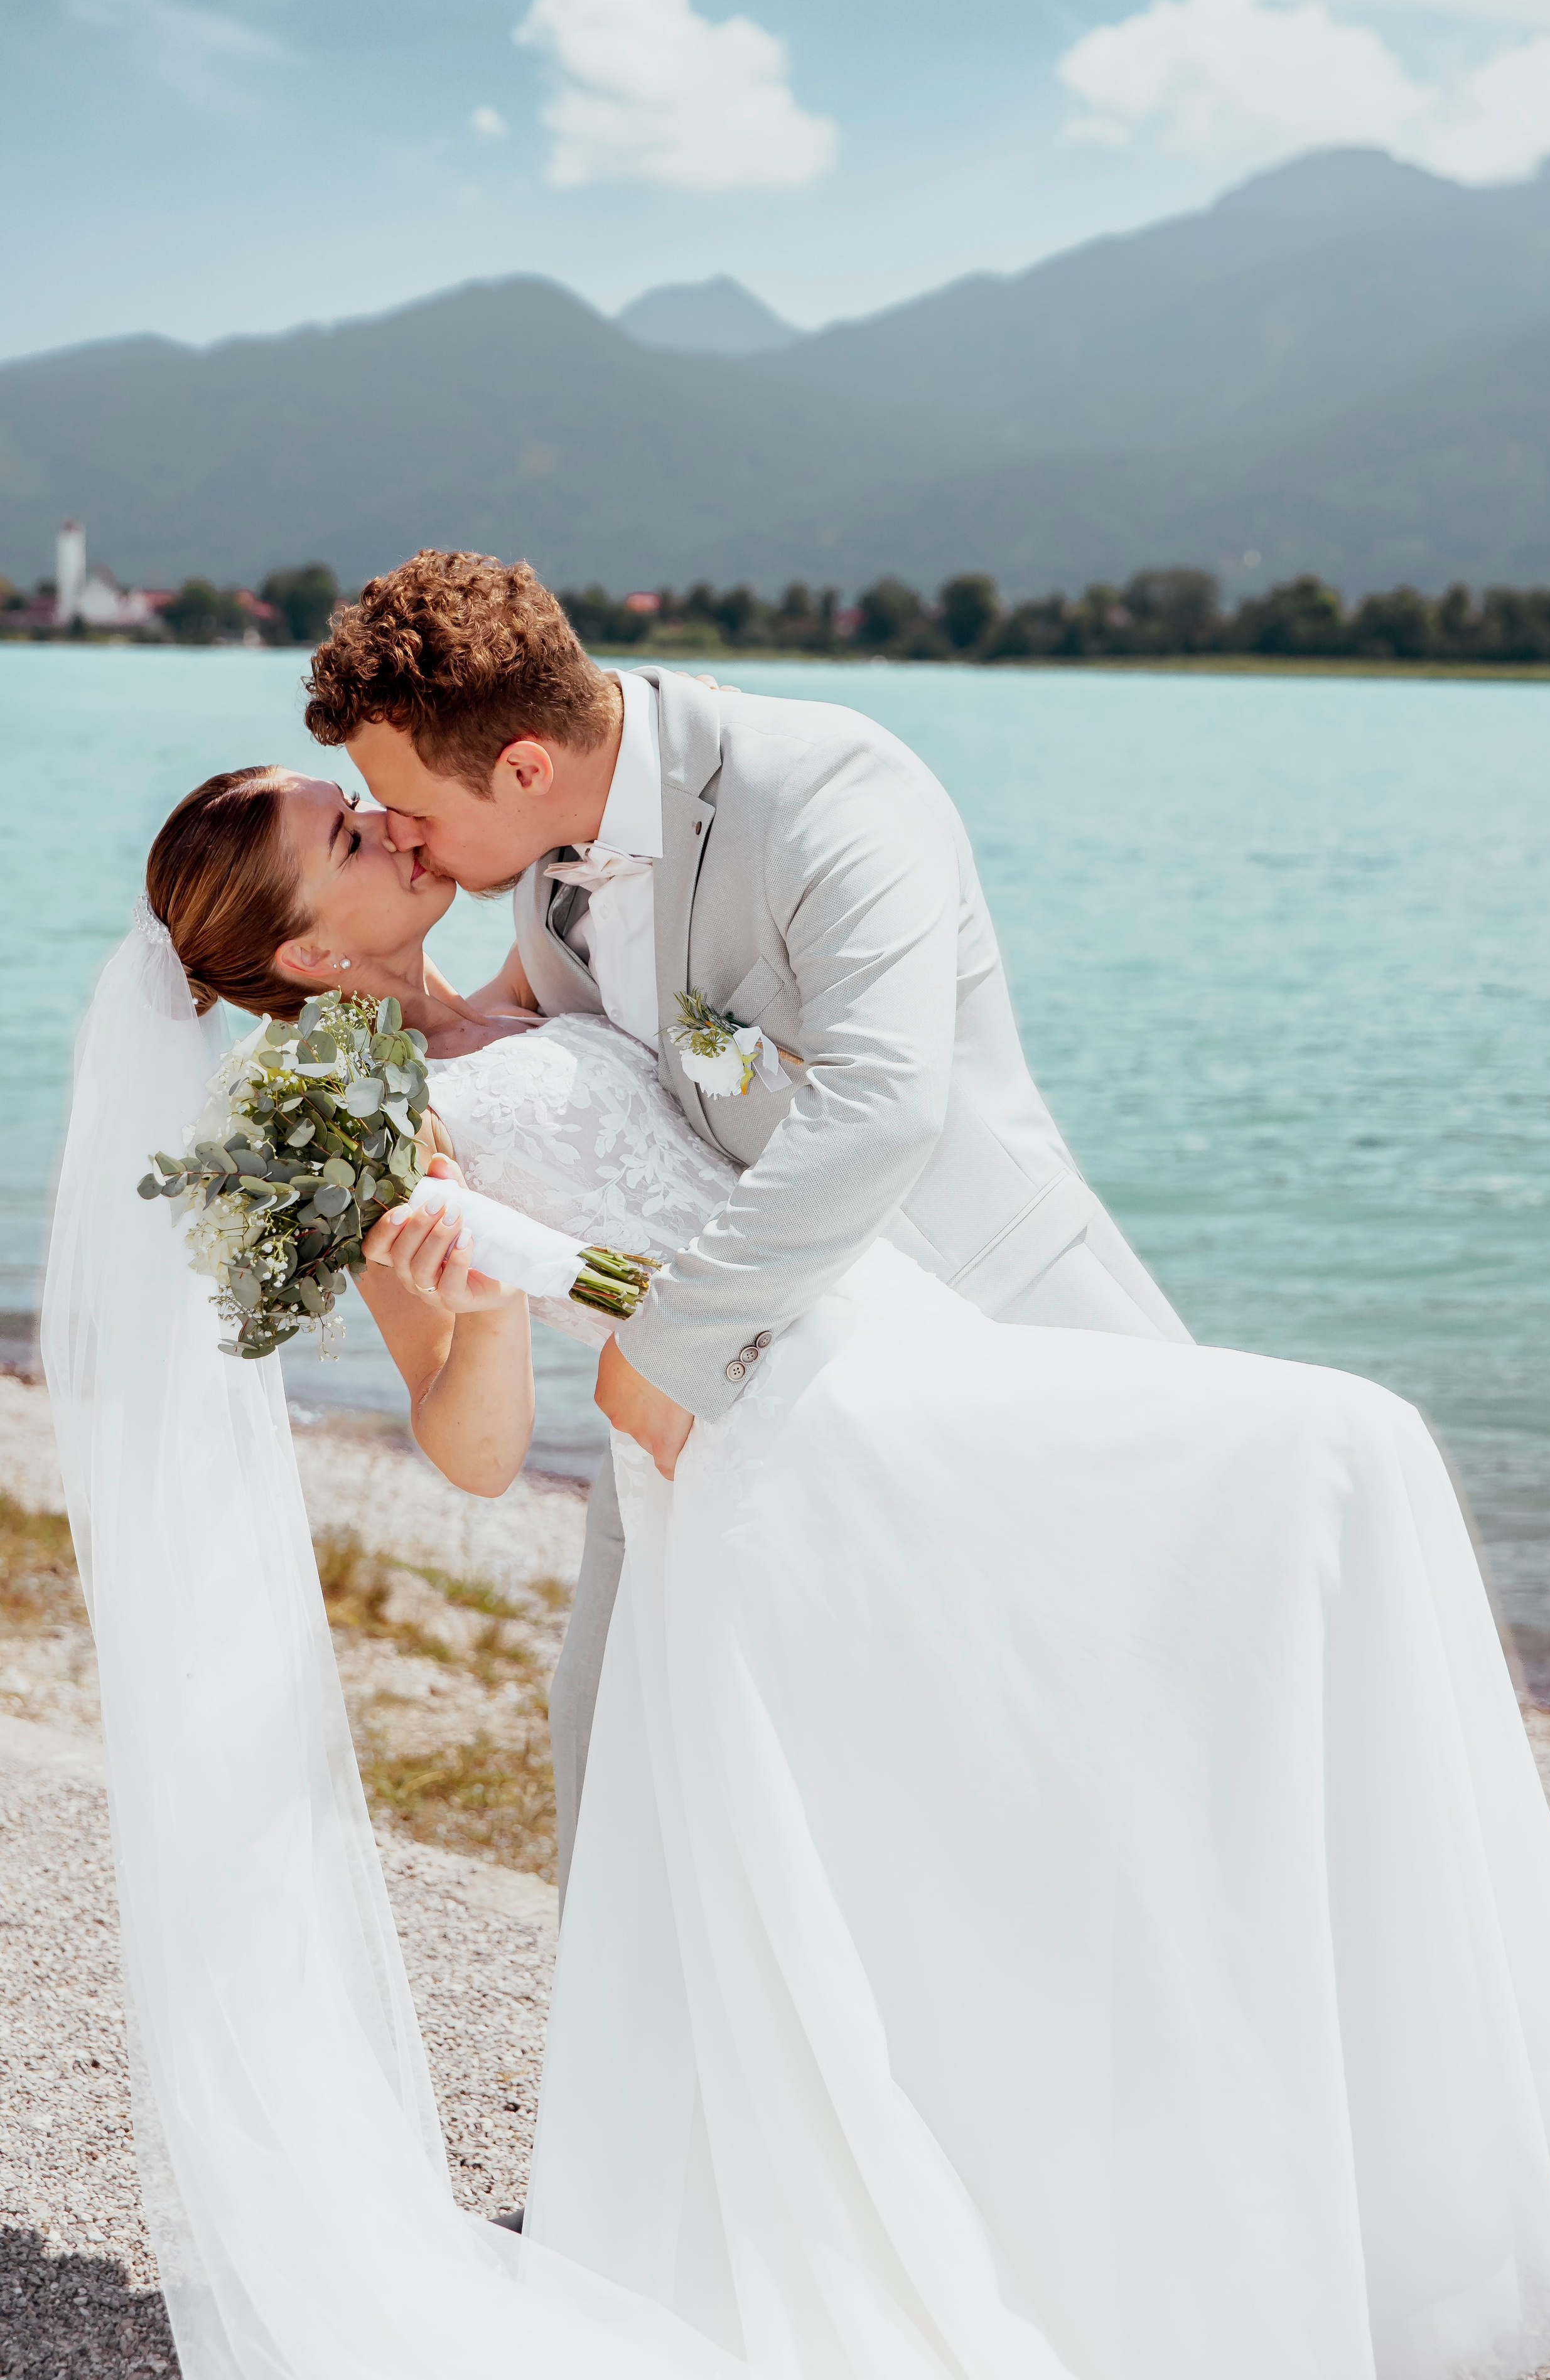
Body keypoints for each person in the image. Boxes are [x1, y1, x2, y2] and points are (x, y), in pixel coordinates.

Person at [70, 709, 1550, 2377]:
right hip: (781, 1459)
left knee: (1246, 1581)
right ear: (308, 945)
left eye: (368, 798)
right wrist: (487, 1298)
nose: (387, 820)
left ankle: (1323, 2142)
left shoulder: (519, 964)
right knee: (1330, 1461)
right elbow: (478, 1451)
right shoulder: (368, 1131)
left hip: (900, 1342)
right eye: (351, 836)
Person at [298, 550, 1191, 1891]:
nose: (399, 832)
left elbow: (882, 1106)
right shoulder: (541, 863)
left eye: (409, 806)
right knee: (617, 1746)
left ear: (525, 764)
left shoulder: (831, 787)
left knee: (1082, 1761)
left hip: (979, 1332)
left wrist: (662, 1351)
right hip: (726, 1397)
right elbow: (551, 1047)